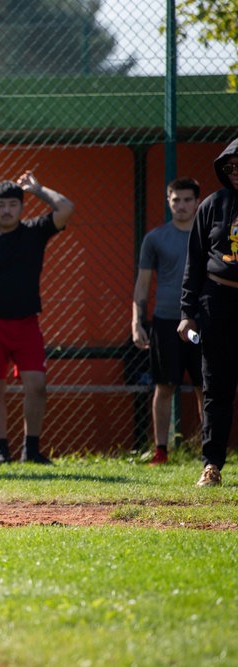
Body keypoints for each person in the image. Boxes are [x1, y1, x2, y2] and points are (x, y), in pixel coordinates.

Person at [0, 171, 74, 465]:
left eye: (13, 204)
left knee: (36, 384)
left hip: (26, 323)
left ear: (21, 207)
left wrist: (38, 189)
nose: (7, 209)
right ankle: (0, 452)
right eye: (1, 204)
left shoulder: (34, 232)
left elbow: (66, 208)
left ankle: (30, 450)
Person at [179, 138, 238, 487]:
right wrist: (188, 312)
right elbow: (195, 264)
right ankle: (211, 465)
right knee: (216, 386)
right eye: (230, 167)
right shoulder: (213, 205)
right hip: (218, 301)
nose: (235, 173)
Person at [132, 178, 204, 465]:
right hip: (165, 322)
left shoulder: (209, 236)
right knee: (164, 386)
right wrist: (137, 322)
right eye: (176, 200)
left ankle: (208, 453)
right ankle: (161, 451)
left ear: (197, 202)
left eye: (187, 200)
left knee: (205, 387)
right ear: (168, 201)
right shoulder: (155, 238)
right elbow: (142, 285)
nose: (182, 205)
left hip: (202, 323)